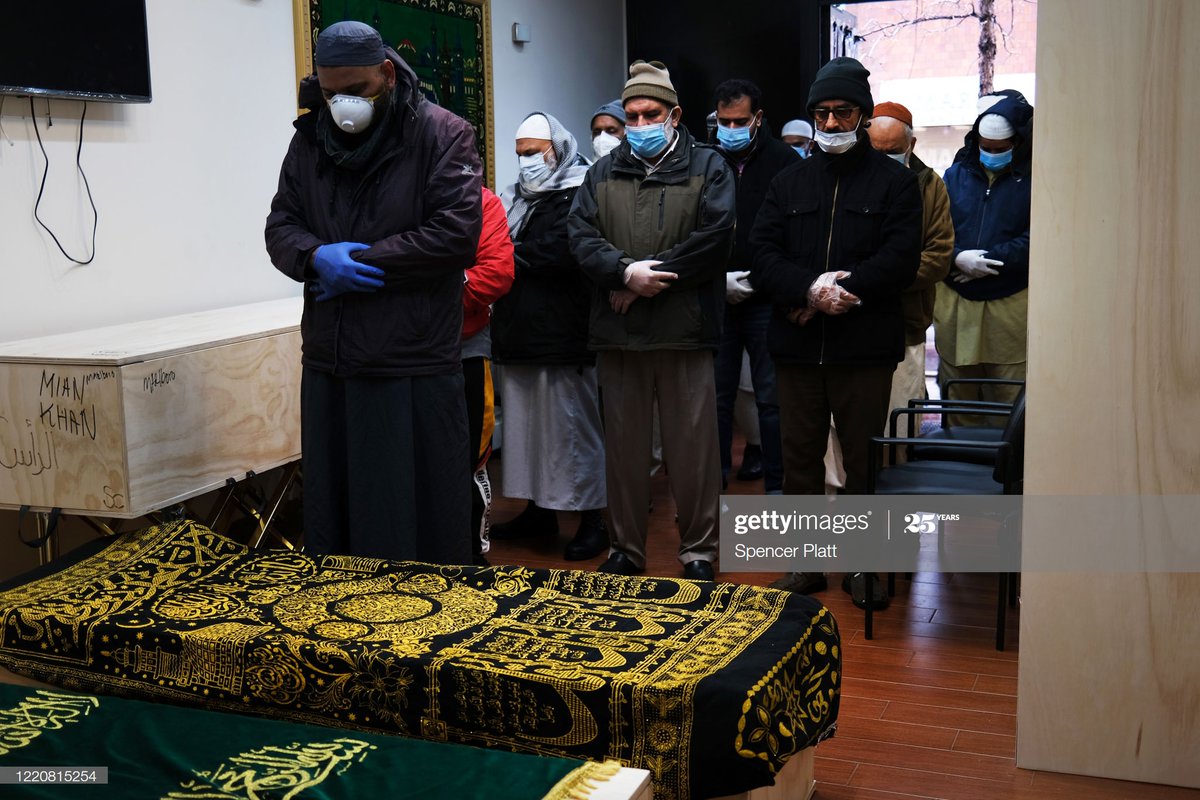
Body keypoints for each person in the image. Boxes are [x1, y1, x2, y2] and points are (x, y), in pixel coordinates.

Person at [264, 21, 482, 562]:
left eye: (357, 91)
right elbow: (280, 226)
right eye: (332, 92)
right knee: (336, 513)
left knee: (418, 514)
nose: (343, 106)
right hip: (331, 360)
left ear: (386, 74)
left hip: (410, 359)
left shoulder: (442, 133)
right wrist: (316, 258)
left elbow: (456, 234)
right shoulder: (310, 138)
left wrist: (363, 261)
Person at [750, 57, 921, 603]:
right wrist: (808, 290)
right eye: (820, 114)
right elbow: (763, 254)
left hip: (863, 348)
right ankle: (804, 565)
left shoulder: (896, 182)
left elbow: (900, 258)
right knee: (798, 461)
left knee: (862, 460)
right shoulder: (788, 180)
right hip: (798, 346)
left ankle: (865, 566)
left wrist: (842, 292)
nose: (829, 124)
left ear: (863, 117)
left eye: (841, 113)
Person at [569, 60, 736, 580]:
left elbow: (713, 238)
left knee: (695, 453)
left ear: (675, 114)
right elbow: (579, 236)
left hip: (684, 331)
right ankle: (625, 550)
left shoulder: (708, 167)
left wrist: (642, 282)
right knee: (623, 452)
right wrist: (621, 272)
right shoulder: (602, 172)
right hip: (619, 339)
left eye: (651, 114)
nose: (640, 124)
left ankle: (700, 551)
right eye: (633, 115)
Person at [490, 112, 609, 562]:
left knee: (572, 432)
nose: (526, 163)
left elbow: (563, 252)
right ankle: (537, 512)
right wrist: (509, 256)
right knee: (525, 434)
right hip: (518, 332)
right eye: (520, 154)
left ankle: (593, 521)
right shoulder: (515, 198)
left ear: (557, 149)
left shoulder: (584, 190)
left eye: (534, 153)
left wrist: (508, 255)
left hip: (564, 335)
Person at [711, 78, 797, 495]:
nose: (731, 128)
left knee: (771, 398)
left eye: (740, 121)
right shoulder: (705, 160)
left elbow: (791, 237)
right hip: (716, 295)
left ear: (758, 119)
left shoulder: (785, 162)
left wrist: (761, 279)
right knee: (715, 398)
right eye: (723, 121)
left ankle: (778, 487)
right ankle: (713, 486)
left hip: (767, 298)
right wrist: (716, 280)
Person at [935, 94, 1033, 415]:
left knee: (1009, 398)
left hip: (1009, 303)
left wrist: (989, 260)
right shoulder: (956, 176)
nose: (990, 154)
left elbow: (1038, 238)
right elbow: (935, 231)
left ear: (1018, 143)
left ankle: (1005, 467)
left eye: (1000, 148)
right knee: (956, 395)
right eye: (984, 147)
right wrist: (957, 257)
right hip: (956, 302)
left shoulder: (1037, 180)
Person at [867, 102, 954, 419]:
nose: (883, 158)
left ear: (911, 145)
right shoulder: (850, 182)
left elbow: (938, 256)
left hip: (906, 324)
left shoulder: (930, 186)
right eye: (876, 150)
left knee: (898, 422)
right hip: (851, 325)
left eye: (892, 150)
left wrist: (877, 280)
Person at [462, 186, 515, 565]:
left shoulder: (481, 202)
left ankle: (473, 551)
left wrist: (429, 295)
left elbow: (496, 273)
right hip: (402, 352)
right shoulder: (397, 194)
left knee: (472, 456)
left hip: (465, 344)